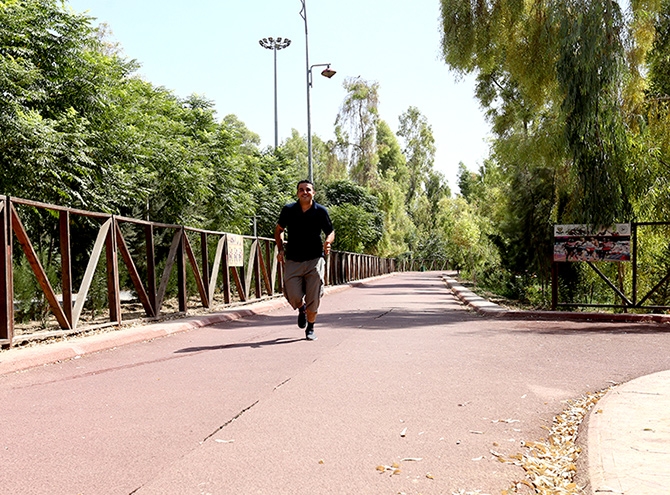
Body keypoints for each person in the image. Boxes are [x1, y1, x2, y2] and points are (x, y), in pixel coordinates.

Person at [274, 180, 335, 341]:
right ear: (297, 193)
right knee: (292, 293)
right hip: (293, 258)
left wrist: (328, 242)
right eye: (301, 190)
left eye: (308, 189)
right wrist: (280, 249)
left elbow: (330, 231)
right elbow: (279, 229)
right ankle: (301, 308)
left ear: (313, 193)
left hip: (315, 259)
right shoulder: (288, 210)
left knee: (313, 295)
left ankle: (310, 327)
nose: (304, 192)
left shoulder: (320, 211)